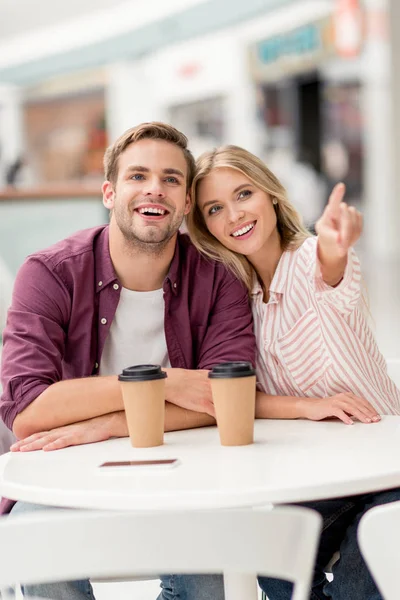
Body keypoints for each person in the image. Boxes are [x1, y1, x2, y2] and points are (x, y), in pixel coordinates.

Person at [0, 124, 255, 600]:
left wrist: (108, 424)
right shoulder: (49, 273)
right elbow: (28, 413)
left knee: (211, 568)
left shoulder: (220, 280)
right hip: (67, 476)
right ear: (109, 192)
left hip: (190, 474)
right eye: (138, 175)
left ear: (184, 205)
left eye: (171, 179)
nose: (154, 187)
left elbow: (228, 399)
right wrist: (167, 382)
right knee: (35, 542)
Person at [188, 144, 400, 600]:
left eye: (244, 194)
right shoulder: (234, 298)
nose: (234, 215)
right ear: (205, 226)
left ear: (269, 193)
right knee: (272, 565)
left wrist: (332, 242)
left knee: (359, 582)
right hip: (317, 477)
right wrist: (309, 406)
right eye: (215, 208)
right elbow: (239, 397)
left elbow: (330, 268)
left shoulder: (308, 259)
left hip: (387, 471)